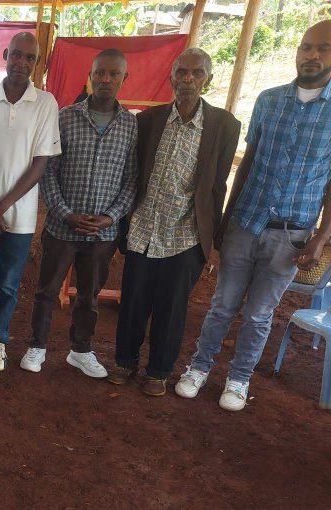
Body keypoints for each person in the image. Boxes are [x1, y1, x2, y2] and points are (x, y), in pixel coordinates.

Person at [175, 21, 331, 411]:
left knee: (260, 314)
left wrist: (320, 238)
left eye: (323, 49)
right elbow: (247, 164)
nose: (311, 55)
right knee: (222, 304)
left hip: (292, 235)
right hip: (245, 222)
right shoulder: (269, 100)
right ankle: (199, 367)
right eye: (306, 47)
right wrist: (226, 217)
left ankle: (239, 378)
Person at [107, 49, 241, 396]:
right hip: (143, 228)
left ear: (208, 80)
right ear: (171, 77)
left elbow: (218, 185)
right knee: (133, 301)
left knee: (171, 308)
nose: (188, 79)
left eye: (197, 73)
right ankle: (124, 362)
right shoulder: (149, 120)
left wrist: (212, 237)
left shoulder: (224, 126)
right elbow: (133, 172)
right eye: (181, 72)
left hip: (185, 234)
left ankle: (159, 371)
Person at [22, 49, 137, 378]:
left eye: (113, 74)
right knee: (47, 291)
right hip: (62, 227)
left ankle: (81, 350)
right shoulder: (66, 117)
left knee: (89, 295)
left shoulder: (131, 126)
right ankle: (37, 346)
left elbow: (131, 180)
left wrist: (111, 217)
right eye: (100, 72)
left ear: (124, 78)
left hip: (103, 232)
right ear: (90, 75)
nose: (105, 79)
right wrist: (65, 213)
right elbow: (48, 171)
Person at [0, 32, 60, 372]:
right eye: (16, 54)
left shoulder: (45, 103)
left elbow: (41, 162)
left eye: (29, 58)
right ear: (5, 54)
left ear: (37, 63)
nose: (21, 62)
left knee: (8, 284)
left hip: (20, 214)